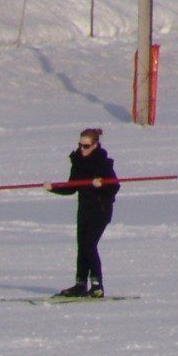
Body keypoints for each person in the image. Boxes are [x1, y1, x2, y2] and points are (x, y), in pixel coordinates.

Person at [51, 127, 119, 298]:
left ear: (95, 145)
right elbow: (71, 188)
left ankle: (97, 286)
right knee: (82, 247)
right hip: (84, 210)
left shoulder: (103, 163)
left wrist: (102, 185)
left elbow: (114, 187)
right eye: (80, 145)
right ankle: (80, 284)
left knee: (89, 245)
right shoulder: (78, 163)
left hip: (101, 210)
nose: (82, 149)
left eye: (86, 146)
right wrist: (52, 188)